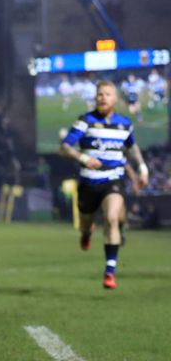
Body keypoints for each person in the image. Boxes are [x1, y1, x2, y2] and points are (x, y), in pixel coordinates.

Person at [60, 80, 149, 289]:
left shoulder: (124, 123)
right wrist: (83, 159)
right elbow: (64, 148)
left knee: (111, 218)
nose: (103, 98)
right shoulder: (86, 121)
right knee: (86, 221)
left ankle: (110, 271)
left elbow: (132, 147)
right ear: (95, 97)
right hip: (88, 182)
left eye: (107, 94)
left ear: (115, 98)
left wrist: (143, 167)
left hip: (113, 179)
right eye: (100, 94)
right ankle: (86, 232)